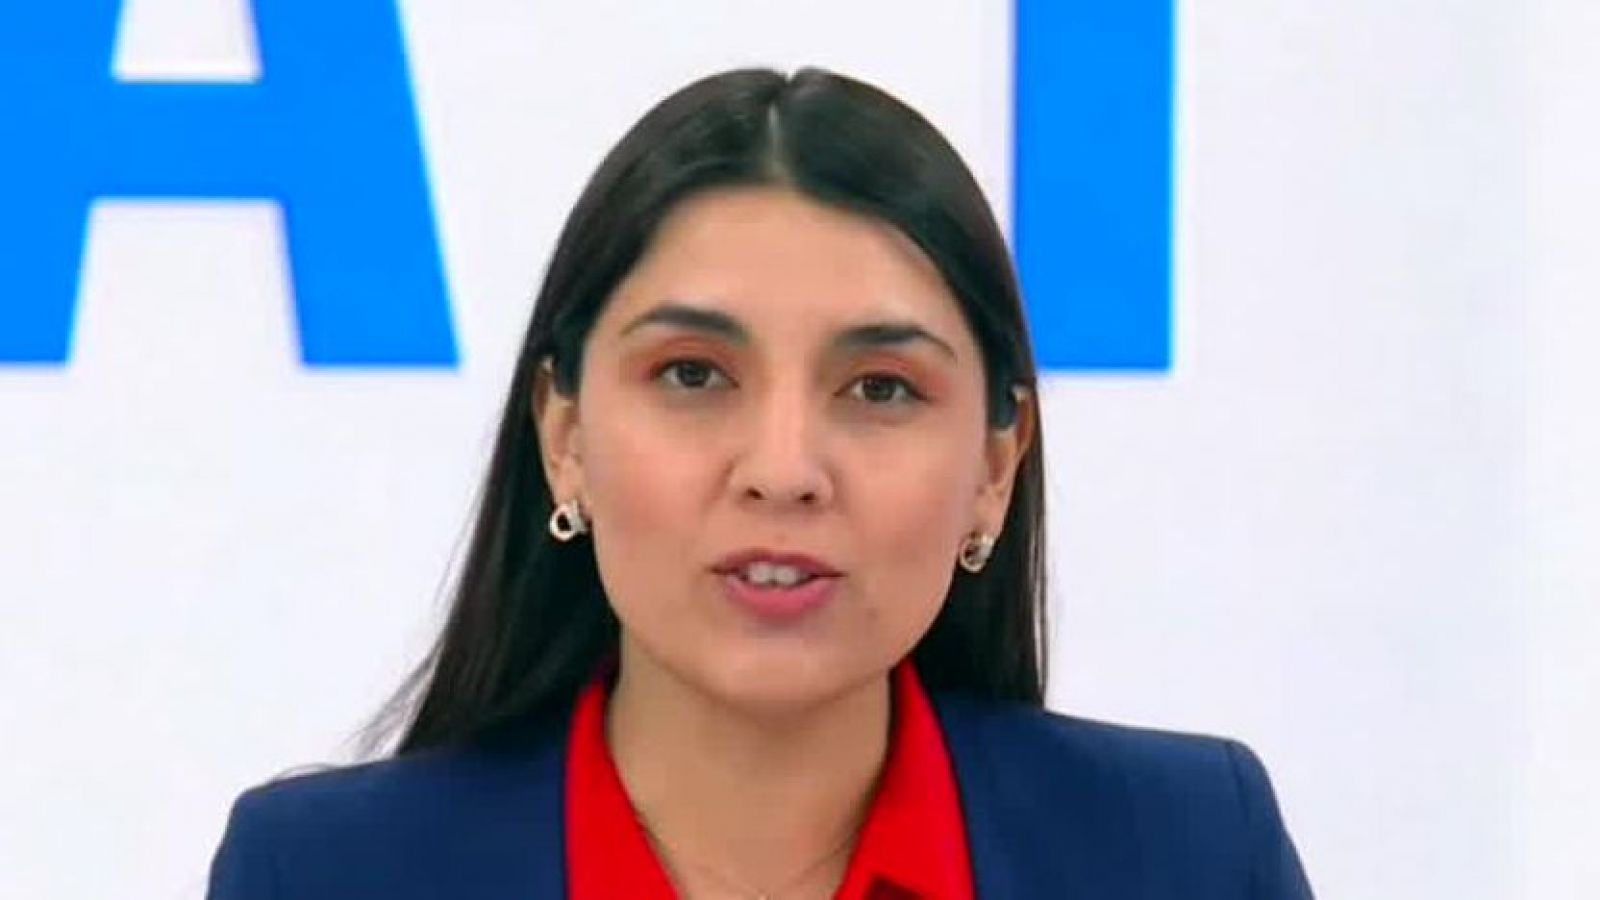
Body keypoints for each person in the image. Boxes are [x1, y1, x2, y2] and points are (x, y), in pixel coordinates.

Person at [206, 66, 1314, 899]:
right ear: (565, 435)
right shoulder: (322, 874)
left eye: (880, 389)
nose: (783, 472)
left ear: (993, 466)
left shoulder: (1190, 854)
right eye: (692, 375)